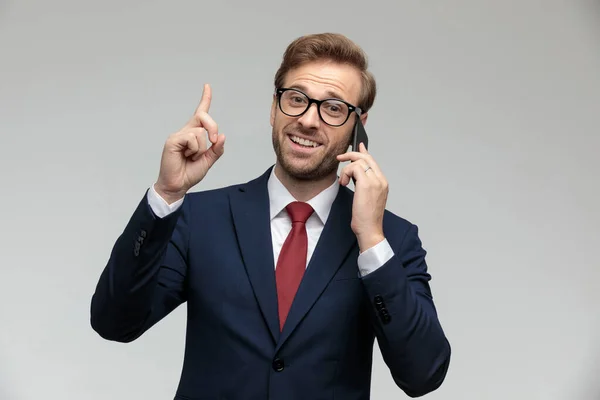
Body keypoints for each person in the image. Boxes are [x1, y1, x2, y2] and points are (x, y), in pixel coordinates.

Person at [90, 32, 451, 399]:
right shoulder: (200, 218)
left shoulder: (392, 239)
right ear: (274, 108)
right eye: (296, 99)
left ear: (359, 126)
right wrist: (166, 195)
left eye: (333, 108)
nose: (309, 120)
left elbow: (423, 374)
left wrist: (371, 240)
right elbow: (114, 322)